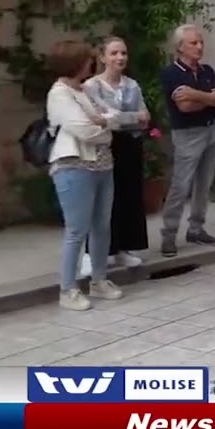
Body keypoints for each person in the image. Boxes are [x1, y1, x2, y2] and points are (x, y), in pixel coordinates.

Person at [45, 40, 125, 311]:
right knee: (77, 229)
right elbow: (84, 130)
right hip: (73, 166)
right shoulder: (59, 93)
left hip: (102, 165)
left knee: (102, 225)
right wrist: (105, 128)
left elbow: (114, 115)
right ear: (75, 63)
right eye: (87, 60)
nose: (91, 64)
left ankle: (99, 280)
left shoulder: (85, 89)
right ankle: (67, 289)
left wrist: (105, 122)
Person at [82, 37, 150, 275]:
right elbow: (101, 118)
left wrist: (120, 118)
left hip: (130, 147)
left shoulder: (132, 85)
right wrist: (130, 118)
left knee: (128, 197)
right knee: (103, 200)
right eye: (114, 53)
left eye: (123, 53)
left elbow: (145, 117)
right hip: (105, 147)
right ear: (102, 57)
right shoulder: (92, 86)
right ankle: (95, 253)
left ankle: (123, 248)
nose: (119, 58)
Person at [158, 25, 215, 257]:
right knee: (181, 185)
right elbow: (184, 106)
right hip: (187, 134)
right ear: (180, 47)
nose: (199, 47)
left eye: (200, 42)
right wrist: (208, 98)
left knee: (204, 183)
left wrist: (197, 95)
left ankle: (196, 228)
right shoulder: (172, 73)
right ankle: (169, 234)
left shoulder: (206, 70)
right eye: (193, 43)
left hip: (210, 129)